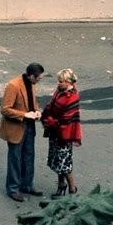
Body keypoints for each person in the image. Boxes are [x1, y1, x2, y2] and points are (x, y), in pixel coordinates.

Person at [0, 63, 45, 202]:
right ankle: (13, 189)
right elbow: (5, 109)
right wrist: (24, 115)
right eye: (39, 78)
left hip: (29, 125)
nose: (39, 81)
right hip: (16, 127)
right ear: (32, 76)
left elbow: (32, 101)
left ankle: (27, 185)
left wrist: (36, 111)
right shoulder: (13, 86)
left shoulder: (31, 84)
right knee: (15, 158)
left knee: (29, 157)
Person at [41, 68, 83, 198]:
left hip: (65, 134)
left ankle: (72, 188)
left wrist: (49, 120)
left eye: (60, 81)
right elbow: (51, 105)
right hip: (56, 131)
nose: (58, 83)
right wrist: (45, 115)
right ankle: (61, 184)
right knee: (58, 160)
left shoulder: (72, 97)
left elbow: (66, 119)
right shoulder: (60, 91)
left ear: (68, 81)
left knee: (65, 163)